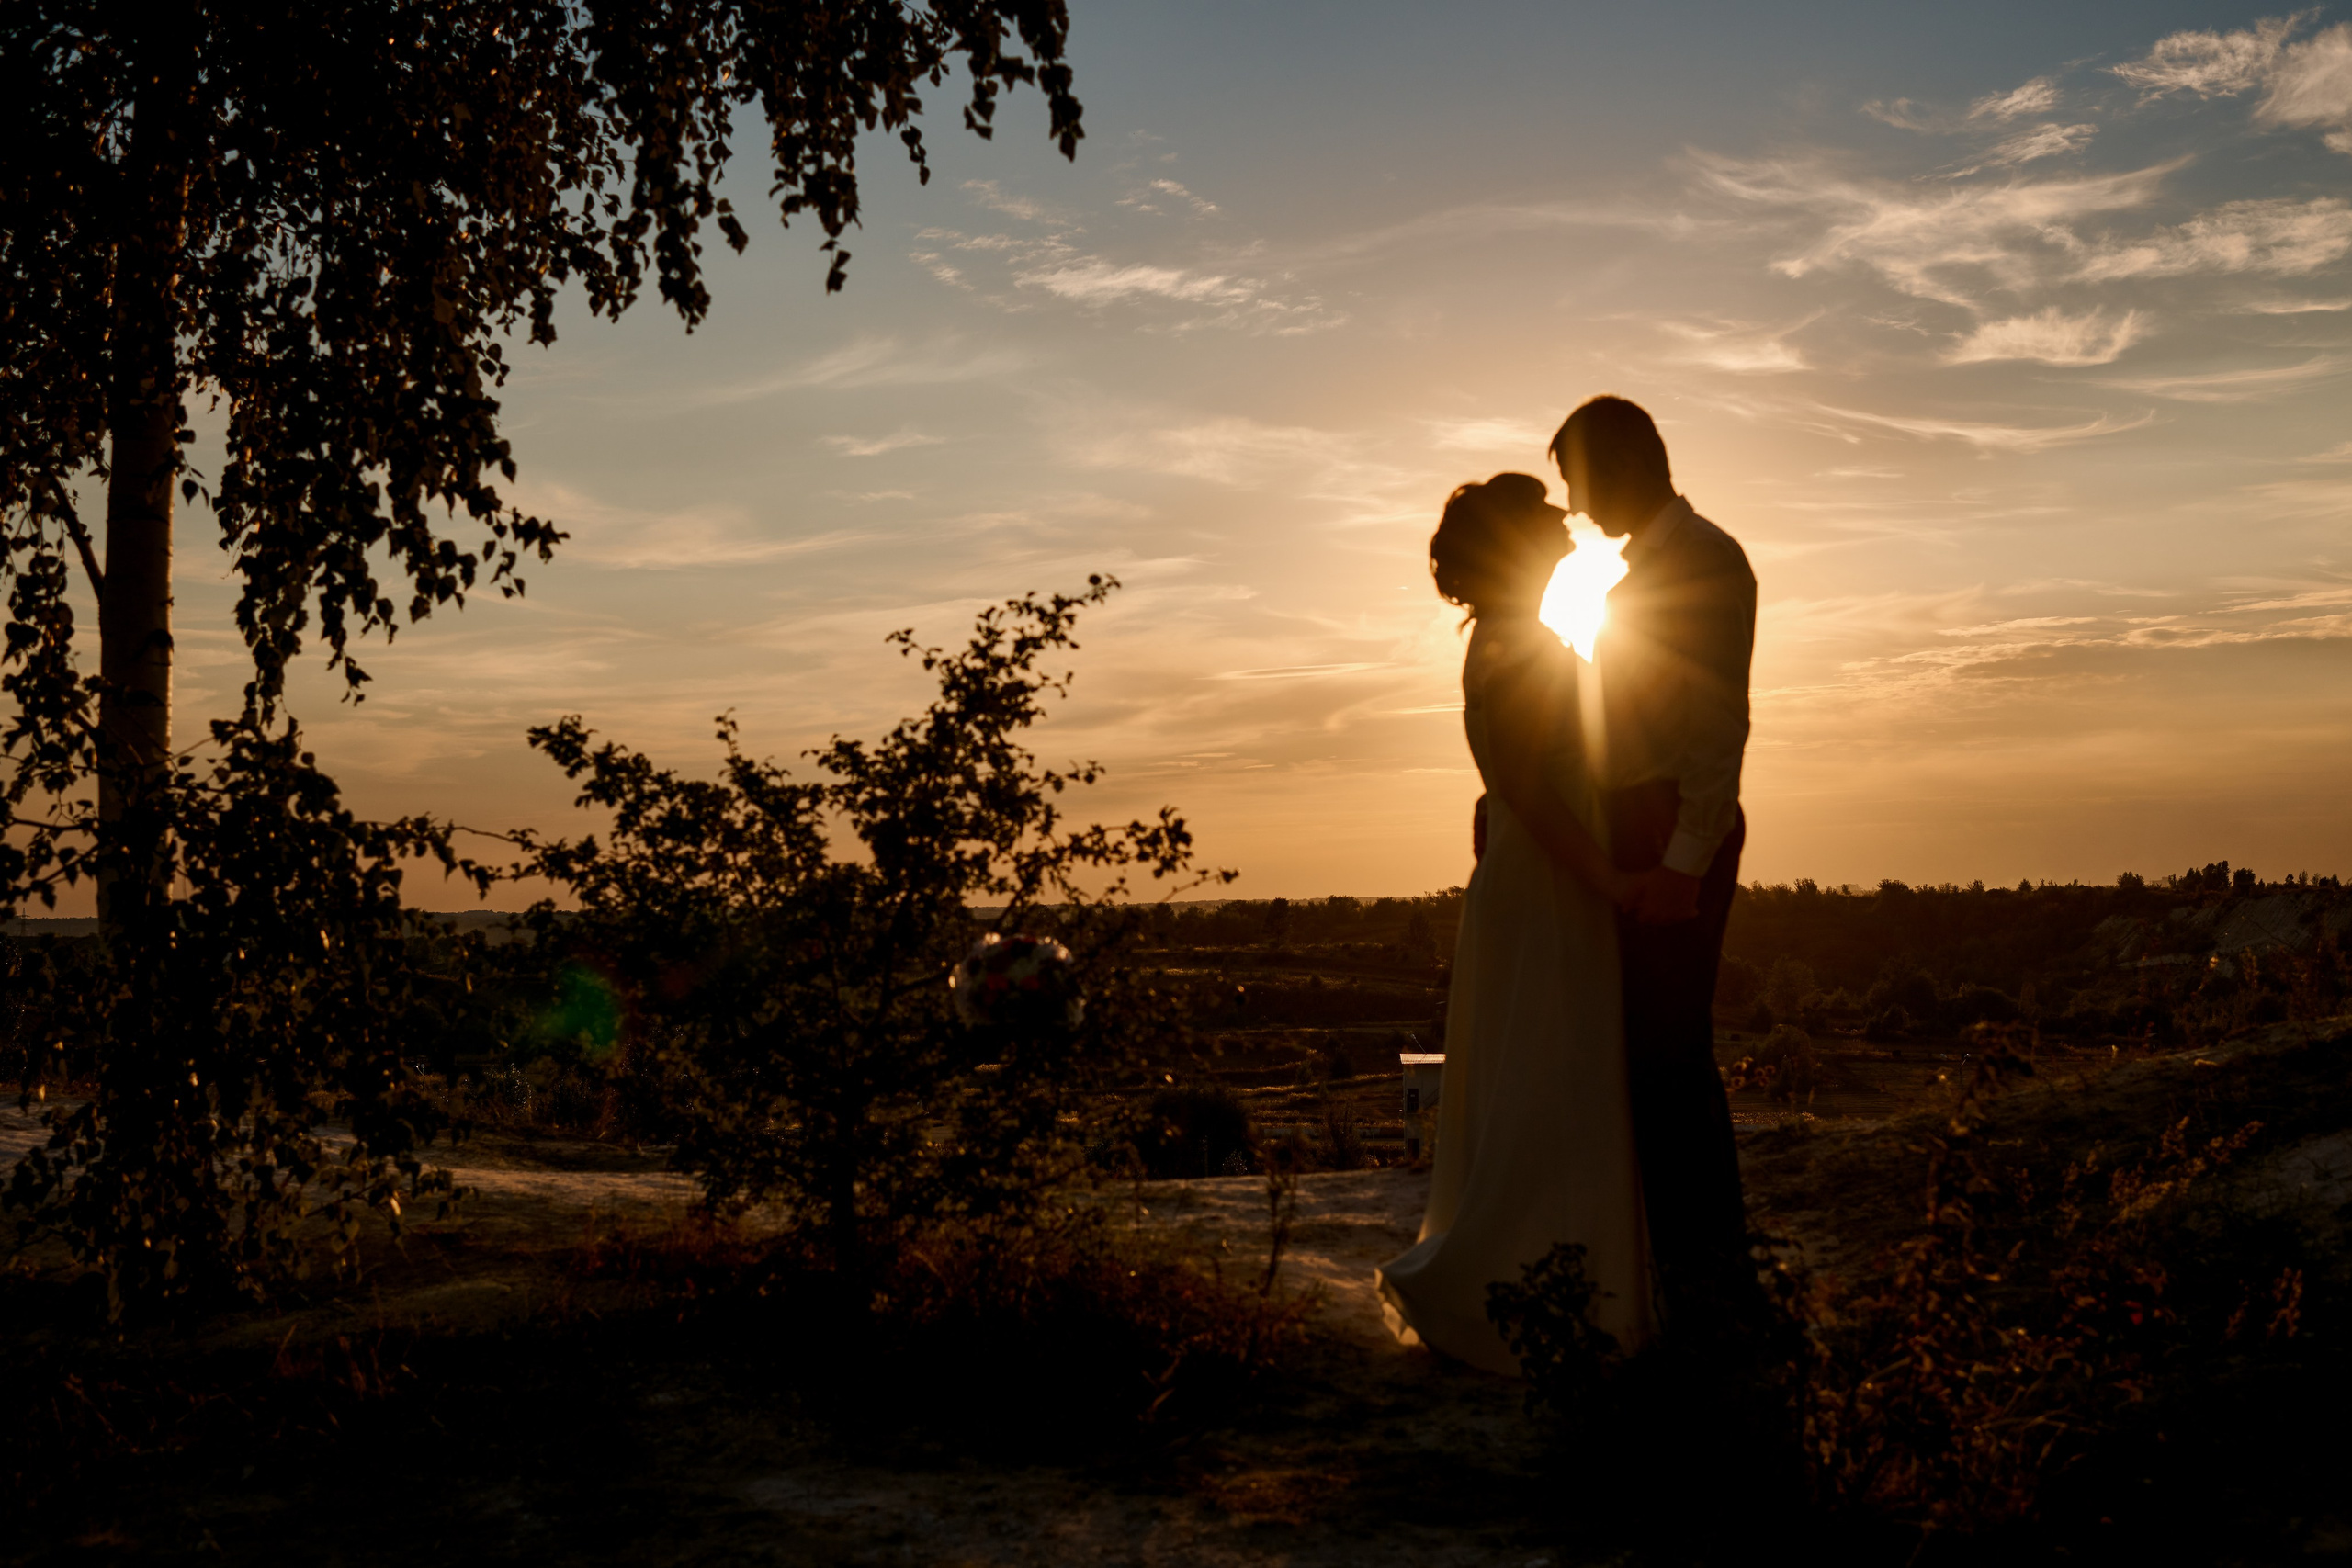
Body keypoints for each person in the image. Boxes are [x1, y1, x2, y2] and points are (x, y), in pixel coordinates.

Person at [1376, 473, 1654, 1373]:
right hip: (1548, 887)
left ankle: (1542, 1285)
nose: (1564, 524)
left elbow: (1511, 781)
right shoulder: (1518, 645)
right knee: (1549, 1083)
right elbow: (1532, 787)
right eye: (1542, 520)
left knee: (1536, 1083)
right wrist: (1610, 878)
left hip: (1527, 880)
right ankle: (1519, 1292)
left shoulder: (1503, 641)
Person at [1551, 395, 1762, 1348]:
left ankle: (1713, 1287)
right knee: (1648, 1060)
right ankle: (1685, 1278)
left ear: (1621, 465)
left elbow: (1717, 731)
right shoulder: (1643, 568)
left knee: (1671, 1063)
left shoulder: (1705, 562)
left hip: (1674, 827)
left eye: (1576, 481)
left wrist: (1683, 861)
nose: (1574, 504)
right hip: (1639, 822)